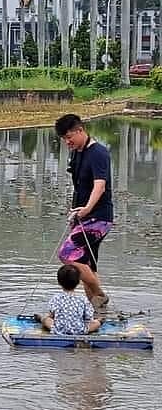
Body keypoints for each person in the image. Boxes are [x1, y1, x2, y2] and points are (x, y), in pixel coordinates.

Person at [55, 114, 113, 311]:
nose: (67, 141)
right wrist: (75, 210)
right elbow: (80, 187)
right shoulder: (77, 152)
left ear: (80, 130)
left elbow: (100, 186)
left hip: (98, 218)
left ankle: (100, 295)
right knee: (87, 264)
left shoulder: (99, 153)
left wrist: (88, 208)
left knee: (67, 254)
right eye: (64, 138)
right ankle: (96, 312)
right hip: (81, 217)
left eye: (69, 136)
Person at [40, 264, 101, 335]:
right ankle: (100, 321)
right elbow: (89, 317)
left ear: (59, 282)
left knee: (46, 319)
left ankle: (40, 318)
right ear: (78, 282)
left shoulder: (56, 298)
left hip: (59, 330)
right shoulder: (83, 299)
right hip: (79, 330)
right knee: (96, 323)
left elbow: (51, 314)